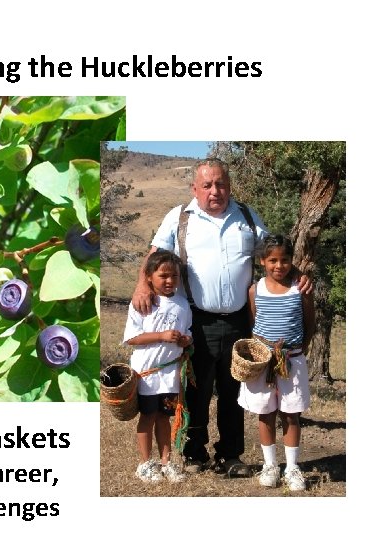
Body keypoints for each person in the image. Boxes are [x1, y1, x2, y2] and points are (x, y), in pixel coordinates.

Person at [131, 158, 311, 476]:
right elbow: (155, 253)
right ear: (195, 189)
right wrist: (141, 286)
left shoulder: (245, 215)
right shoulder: (179, 218)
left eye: (221, 184)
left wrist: (297, 276)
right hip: (197, 319)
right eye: (208, 185)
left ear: (229, 185)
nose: (215, 190)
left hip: (240, 320)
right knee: (197, 389)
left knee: (234, 389)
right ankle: (194, 453)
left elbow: (273, 252)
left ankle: (231, 455)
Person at [238, 234, 316, 491]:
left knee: (291, 414)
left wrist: (295, 352)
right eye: (272, 260)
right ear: (262, 261)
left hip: (292, 362)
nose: (279, 265)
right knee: (266, 412)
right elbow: (254, 324)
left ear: (292, 261)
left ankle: (292, 467)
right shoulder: (255, 290)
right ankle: (270, 465)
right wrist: (263, 355)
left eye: (284, 260)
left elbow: (309, 323)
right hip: (263, 363)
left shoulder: (300, 289)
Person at [124, 251, 193, 483]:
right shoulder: (143, 303)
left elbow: (188, 332)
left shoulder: (183, 304)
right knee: (148, 416)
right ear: (149, 277)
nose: (169, 281)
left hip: (170, 374)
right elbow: (132, 338)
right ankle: (145, 464)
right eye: (163, 275)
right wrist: (161, 336)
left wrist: (186, 340)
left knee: (165, 417)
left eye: (174, 275)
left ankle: (166, 462)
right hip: (147, 374)